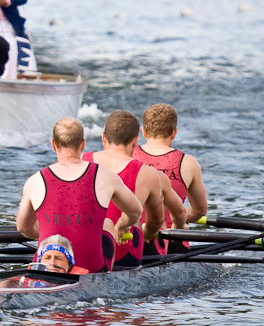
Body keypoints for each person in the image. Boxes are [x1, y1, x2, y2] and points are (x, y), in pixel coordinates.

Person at [16, 117, 143, 273]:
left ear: (53, 145)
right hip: (90, 268)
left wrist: (49, 230)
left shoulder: (35, 181)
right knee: (107, 223)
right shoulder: (105, 176)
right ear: (83, 144)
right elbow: (136, 211)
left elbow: (23, 227)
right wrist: (123, 226)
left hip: (45, 268)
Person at [83, 110, 186, 267]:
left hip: (80, 247)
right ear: (135, 141)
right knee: (142, 224)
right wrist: (148, 232)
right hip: (123, 251)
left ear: (103, 137)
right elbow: (156, 221)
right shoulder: (148, 174)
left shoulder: (81, 161)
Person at [134, 103, 208, 254]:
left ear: (144, 131)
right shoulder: (188, 163)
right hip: (171, 237)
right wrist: (180, 219)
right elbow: (200, 210)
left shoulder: (126, 156)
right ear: (174, 133)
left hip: (130, 236)